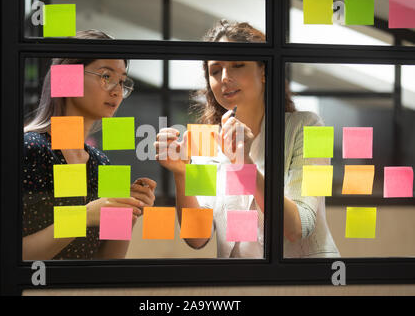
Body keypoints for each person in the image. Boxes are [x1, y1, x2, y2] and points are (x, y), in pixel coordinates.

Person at [155, 20, 339, 258]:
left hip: (302, 285)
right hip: (238, 284)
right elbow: (197, 237)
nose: (224, 77)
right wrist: (181, 174)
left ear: (263, 70)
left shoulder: (311, 127)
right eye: (215, 70)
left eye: (237, 65)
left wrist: (244, 164)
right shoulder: (206, 140)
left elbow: (298, 227)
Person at [23, 30, 156, 260]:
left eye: (122, 81)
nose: (117, 91)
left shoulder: (101, 162)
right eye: (106, 76)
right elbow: (12, 258)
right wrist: (83, 216)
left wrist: (127, 211)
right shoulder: (31, 148)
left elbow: (107, 263)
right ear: (67, 77)